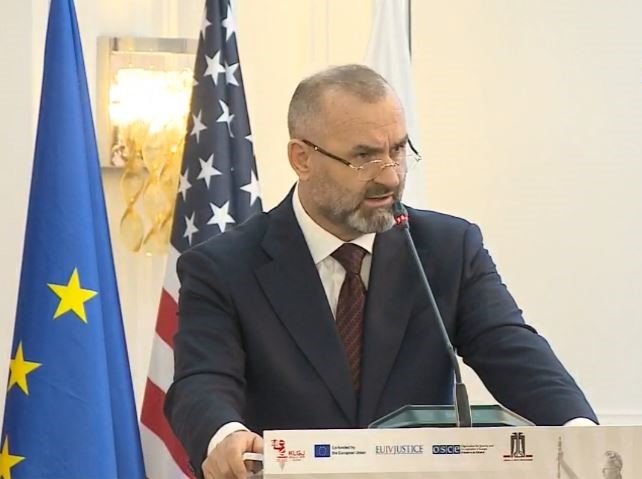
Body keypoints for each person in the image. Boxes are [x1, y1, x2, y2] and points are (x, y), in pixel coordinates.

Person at [165, 64, 597, 479]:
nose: (390, 177)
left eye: (398, 150)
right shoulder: (223, 267)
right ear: (302, 158)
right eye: (364, 156)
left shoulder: (449, 249)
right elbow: (202, 380)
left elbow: (512, 350)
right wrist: (226, 435)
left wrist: (581, 435)